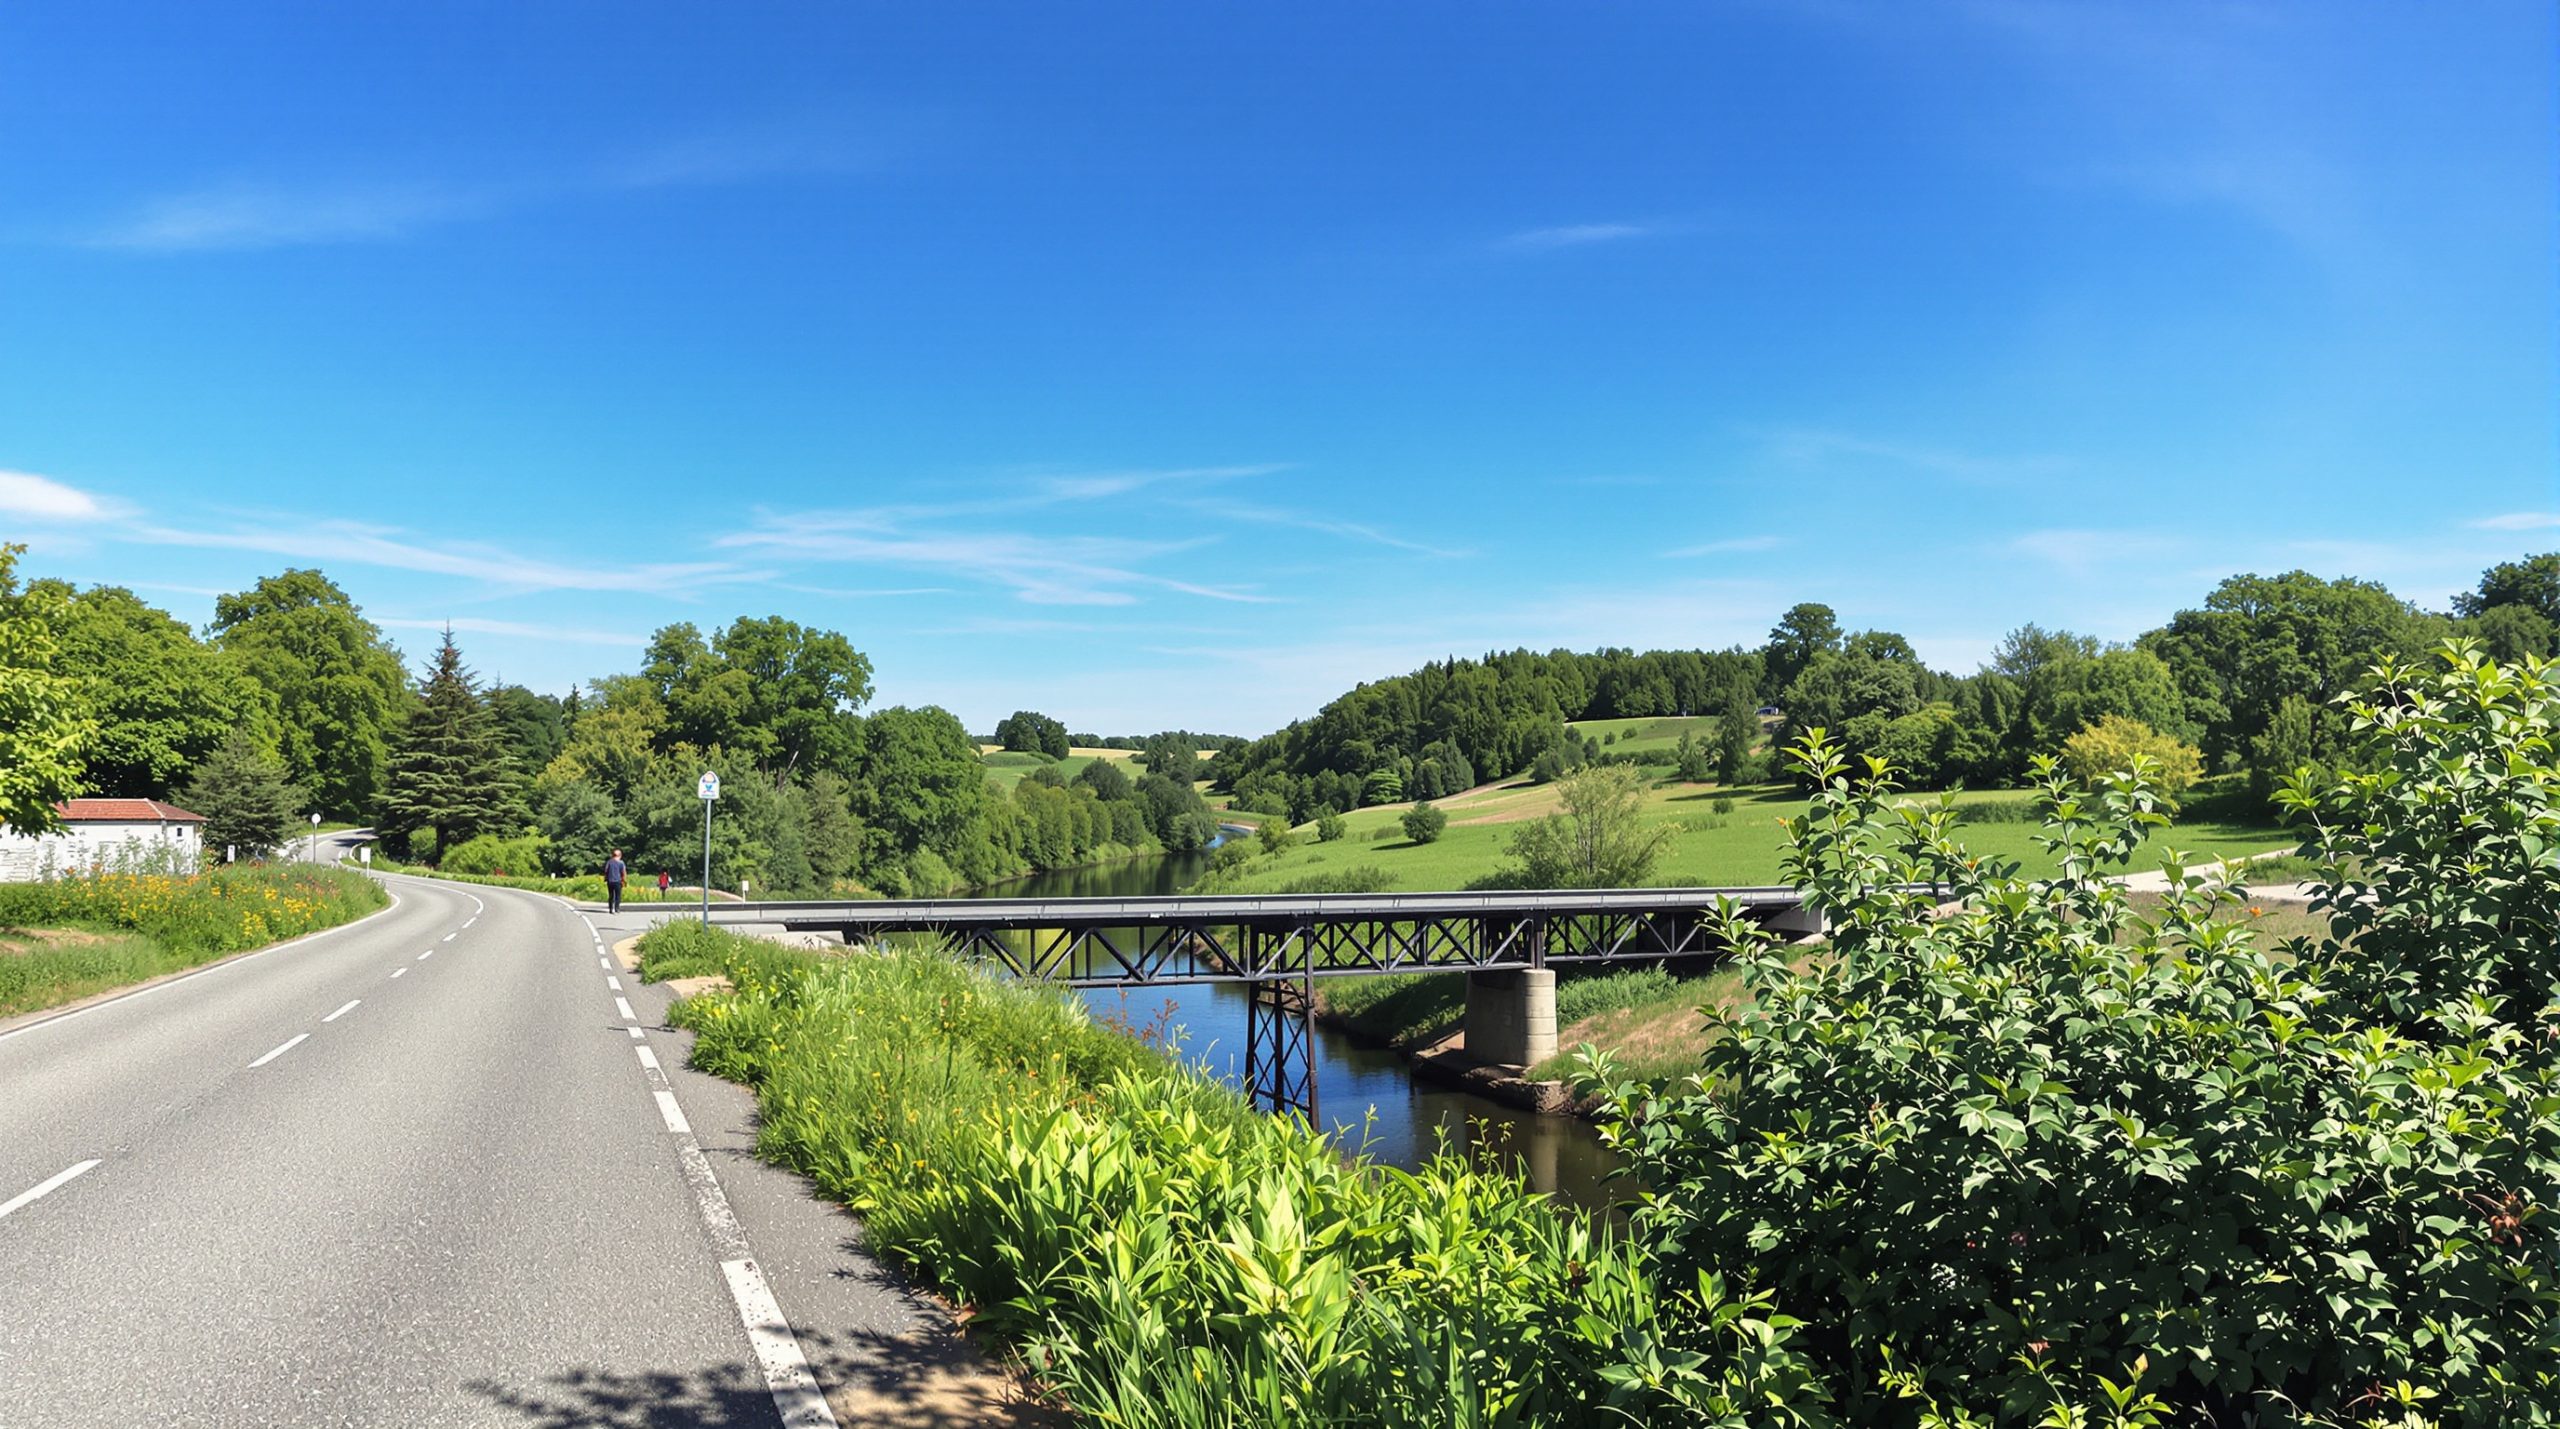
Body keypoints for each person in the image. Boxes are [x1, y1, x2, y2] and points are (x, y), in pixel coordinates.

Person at [603, 848, 627, 914]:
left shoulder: (609, 862)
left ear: (613, 855)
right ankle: (617, 909)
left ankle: (611, 909)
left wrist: (606, 878)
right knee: (618, 896)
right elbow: (623, 872)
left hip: (610, 881)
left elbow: (606, 870)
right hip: (618, 881)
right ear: (620, 855)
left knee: (611, 895)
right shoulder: (621, 863)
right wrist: (624, 881)